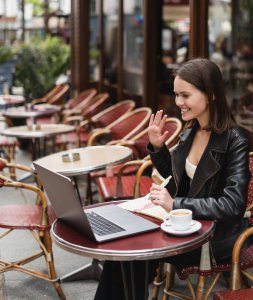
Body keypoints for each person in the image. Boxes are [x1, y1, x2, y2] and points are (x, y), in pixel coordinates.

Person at [94, 58, 250, 300]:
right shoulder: (190, 132)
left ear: (210, 95)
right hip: (182, 225)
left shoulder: (235, 140)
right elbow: (176, 180)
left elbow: (233, 206)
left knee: (135, 253)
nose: (178, 102)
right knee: (122, 252)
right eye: (176, 95)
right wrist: (158, 148)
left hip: (213, 237)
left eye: (185, 95)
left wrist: (175, 204)